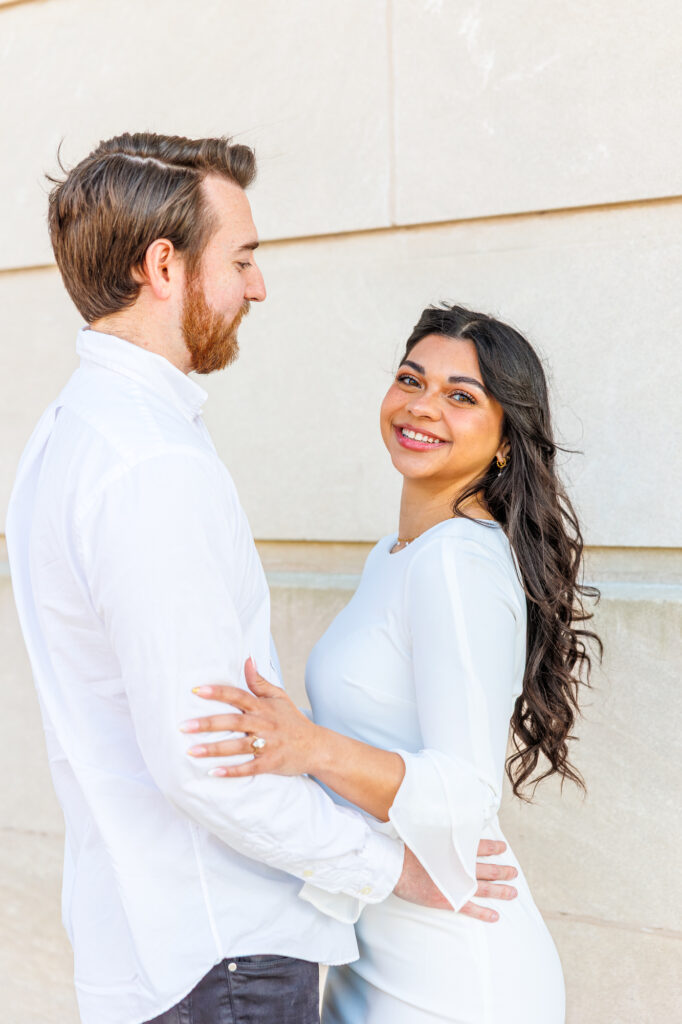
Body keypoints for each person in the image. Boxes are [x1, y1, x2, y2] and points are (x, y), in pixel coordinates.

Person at [6, 135, 518, 1024]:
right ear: (164, 266)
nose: (258, 286)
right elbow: (209, 760)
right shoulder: (147, 464)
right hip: (224, 958)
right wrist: (396, 867)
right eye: (241, 259)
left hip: (162, 944)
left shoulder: (69, 433)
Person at [183, 304, 602, 1023]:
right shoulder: (398, 556)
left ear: (506, 440)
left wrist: (310, 746)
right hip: (377, 935)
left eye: (461, 396)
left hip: (452, 970)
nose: (422, 406)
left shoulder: (458, 566)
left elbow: (465, 794)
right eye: (411, 379)